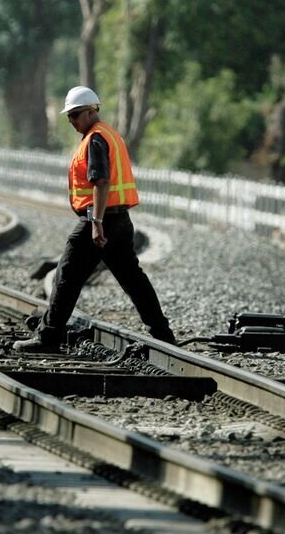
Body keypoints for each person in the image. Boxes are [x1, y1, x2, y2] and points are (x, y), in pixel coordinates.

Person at [13, 86, 176, 352]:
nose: (72, 121)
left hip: (99, 221)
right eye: (69, 116)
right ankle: (163, 335)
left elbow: (101, 182)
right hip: (120, 220)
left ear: (92, 111)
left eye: (76, 115)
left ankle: (48, 337)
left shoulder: (96, 140)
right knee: (133, 280)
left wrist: (96, 223)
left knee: (66, 277)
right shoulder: (109, 135)